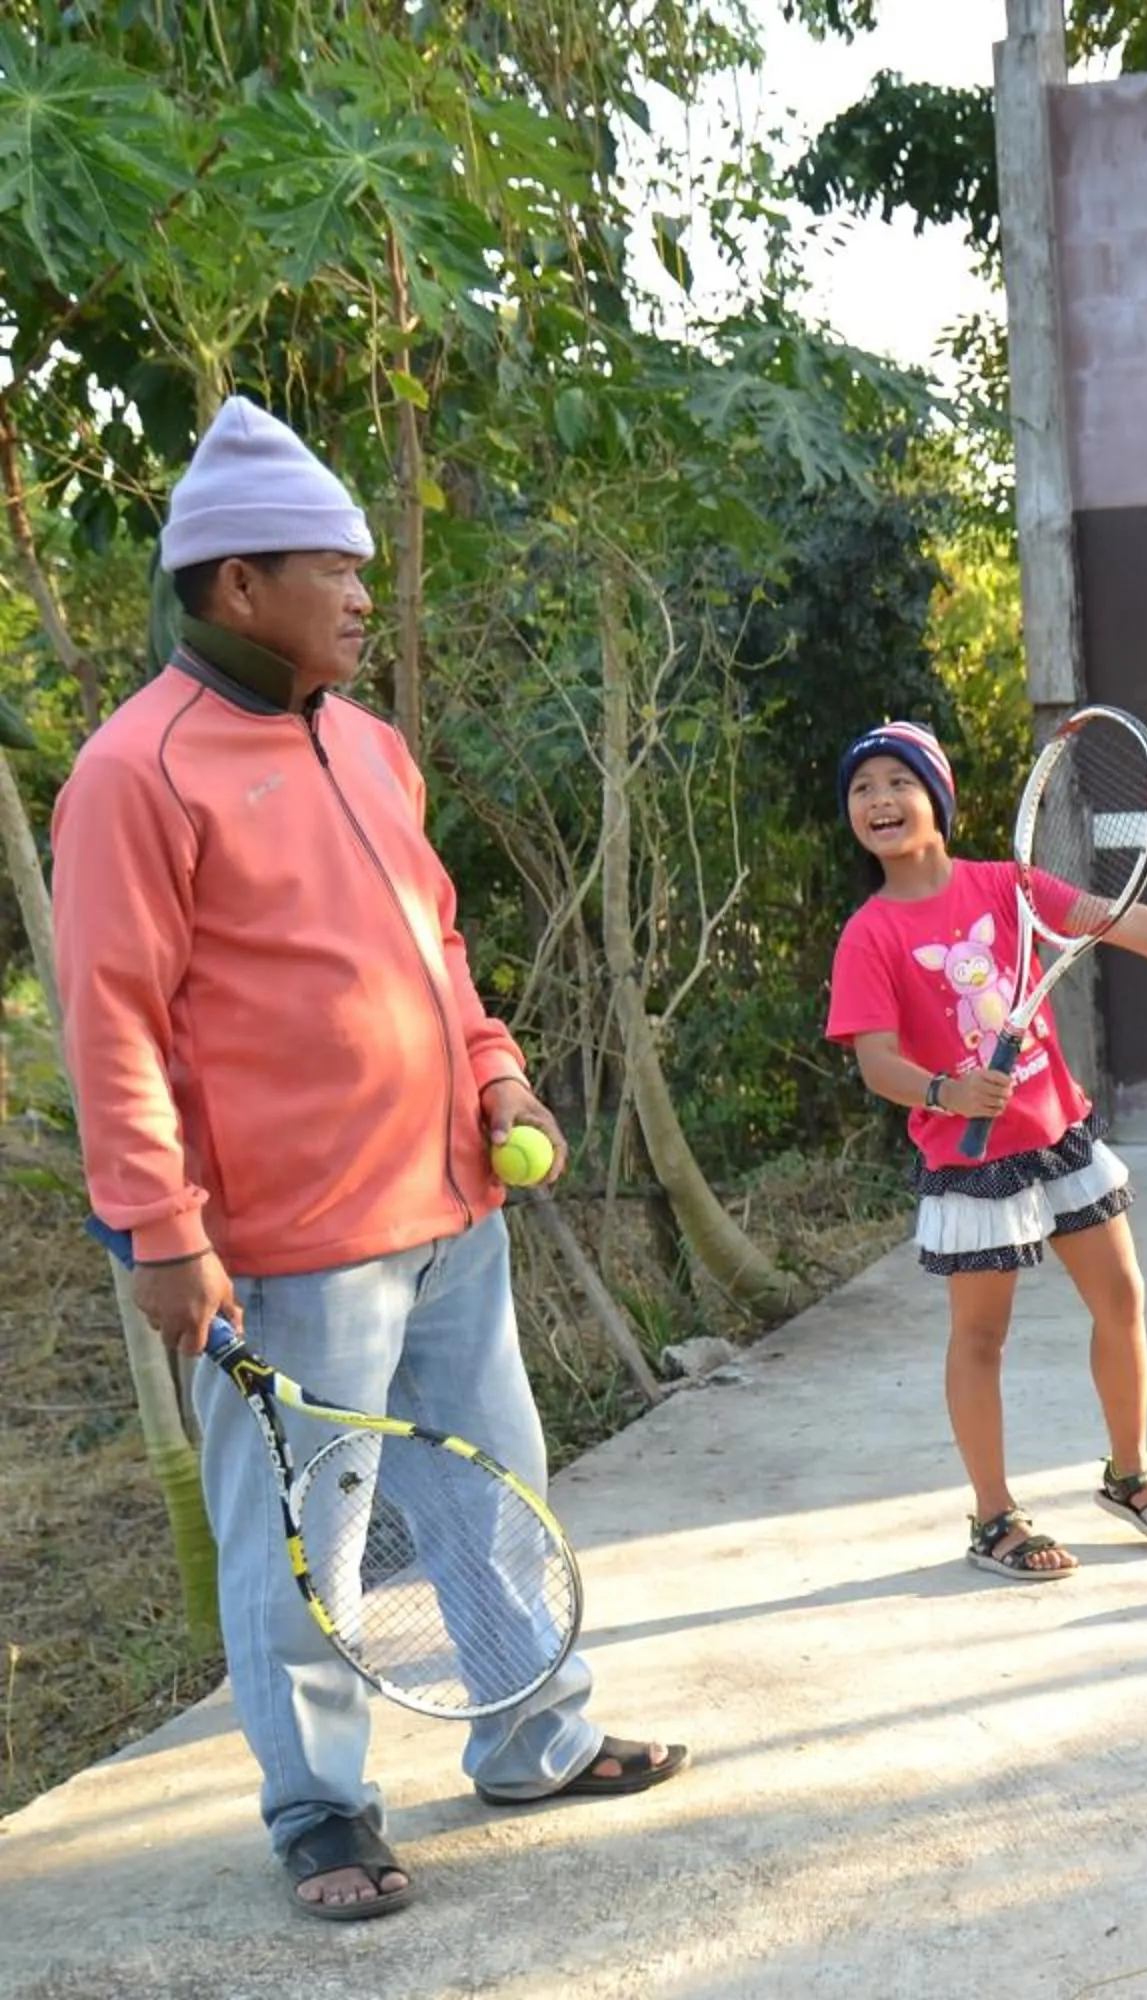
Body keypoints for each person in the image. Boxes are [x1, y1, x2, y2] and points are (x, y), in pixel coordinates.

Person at [51, 399, 686, 1920]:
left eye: (356, 566)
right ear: (231, 587)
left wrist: (495, 1071)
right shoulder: (139, 771)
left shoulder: (372, 748)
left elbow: (439, 948)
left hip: (453, 1205)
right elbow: (109, 1018)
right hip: (282, 1245)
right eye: (324, 568)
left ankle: (538, 1733)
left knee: (493, 1491)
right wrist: (157, 1228)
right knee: (306, 1547)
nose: (355, 592)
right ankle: (321, 1811)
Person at [823, 721, 1147, 1581]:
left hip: (1058, 1132)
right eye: (862, 789)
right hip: (971, 1162)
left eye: (898, 781)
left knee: (1122, 1297)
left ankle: (1129, 1475)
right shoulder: (870, 934)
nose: (880, 800)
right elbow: (876, 1061)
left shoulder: (1006, 886)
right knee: (981, 1338)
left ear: (936, 797)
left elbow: (1123, 922)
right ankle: (994, 1517)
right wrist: (945, 1091)